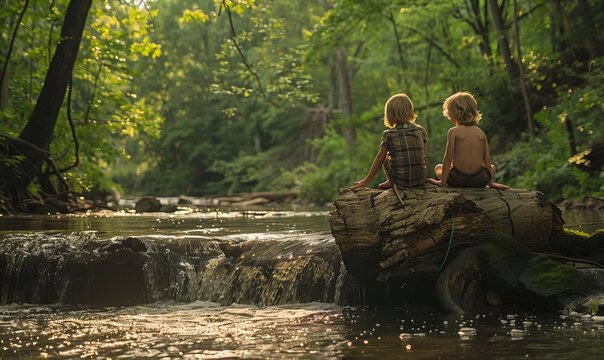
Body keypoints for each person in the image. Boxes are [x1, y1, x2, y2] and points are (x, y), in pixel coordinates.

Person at [427, 91, 509, 189]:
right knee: (492, 167)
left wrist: (442, 181)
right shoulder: (481, 133)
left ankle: (445, 179)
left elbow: (448, 156)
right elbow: (487, 159)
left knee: (438, 168)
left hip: (457, 180)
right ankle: (488, 182)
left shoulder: (453, 132)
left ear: (455, 114)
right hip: (479, 180)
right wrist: (490, 182)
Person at [352, 93, 428, 190]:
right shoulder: (421, 130)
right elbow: (423, 156)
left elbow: (380, 158)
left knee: (385, 158)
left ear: (390, 114)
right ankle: (414, 177)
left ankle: (390, 181)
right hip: (420, 179)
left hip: (401, 182)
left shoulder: (389, 134)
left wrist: (366, 181)